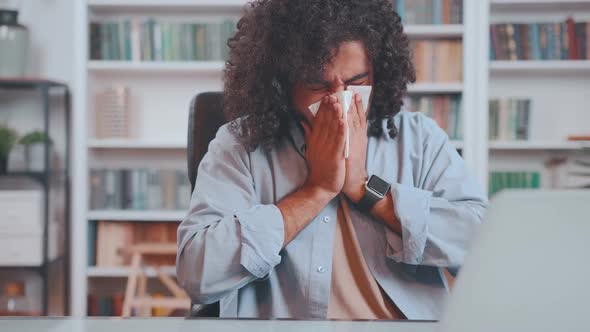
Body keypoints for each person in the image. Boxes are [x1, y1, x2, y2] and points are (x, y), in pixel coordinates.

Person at [177, 0, 487, 320]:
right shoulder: (240, 145)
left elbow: (482, 246)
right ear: (282, 83)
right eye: (318, 85)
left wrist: (366, 187)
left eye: (356, 82)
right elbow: (198, 273)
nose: (340, 98)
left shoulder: (418, 139)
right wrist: (316, 191)